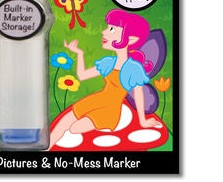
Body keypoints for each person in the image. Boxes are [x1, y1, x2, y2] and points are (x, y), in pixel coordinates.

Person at [49, 8, 162, 148]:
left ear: (130, 39)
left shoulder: (133, 68)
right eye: (108, 28)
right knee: (64, 122)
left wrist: (142, 121)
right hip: (95, 100)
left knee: (74, 128)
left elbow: (138, 94)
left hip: (109, 110)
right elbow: (83, 75)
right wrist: (79, 54)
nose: (104, 32)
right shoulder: (109, 62)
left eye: (112, 29)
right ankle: (46, 149)